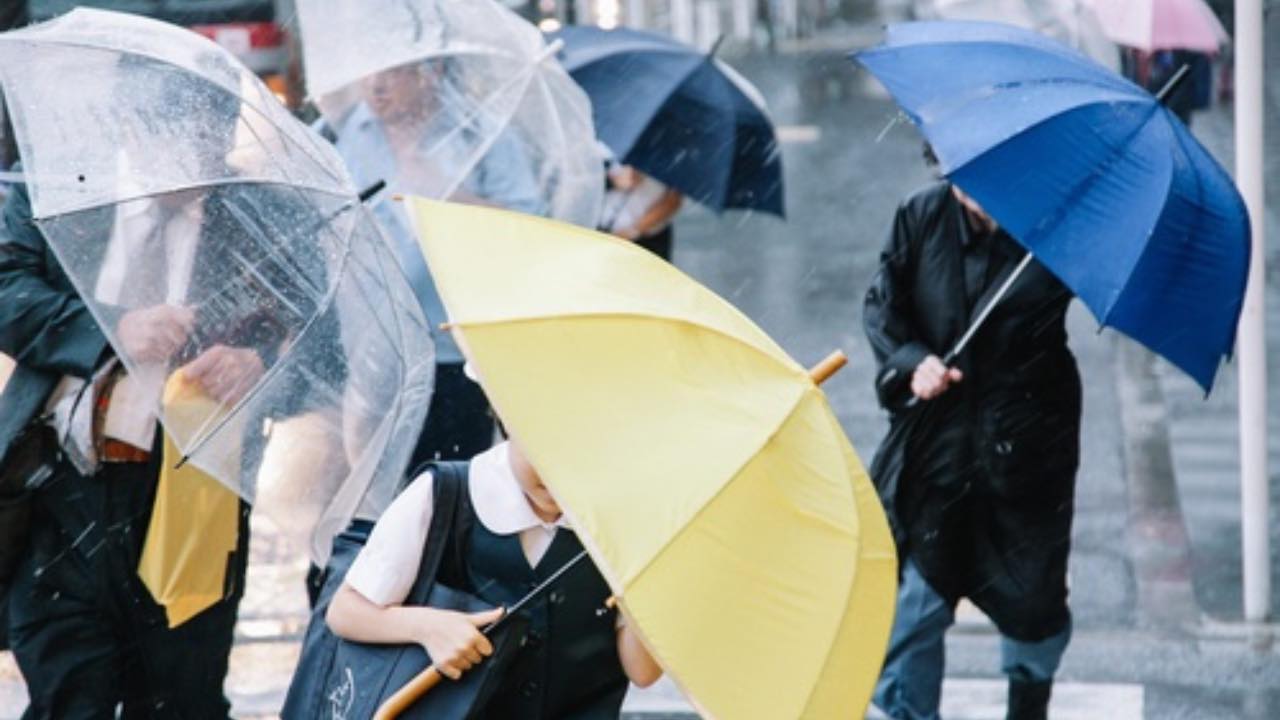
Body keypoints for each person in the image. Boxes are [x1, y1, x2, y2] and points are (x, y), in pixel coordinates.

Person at [0, 54, 318, 717]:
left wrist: (259, 365)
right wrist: (112, 328)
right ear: (131, 129)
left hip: (194, 494)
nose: (195, 163)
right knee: (68, 692)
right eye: (176, 142)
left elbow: (323, 339)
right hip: (60, 487)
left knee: (183, 697)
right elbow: (7, 289)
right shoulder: (62, 193)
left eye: (210, 140)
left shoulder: (261, 217)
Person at [863, 155, 1081, 720]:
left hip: (1025, 448)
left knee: (1033, 602)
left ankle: (1028, 702)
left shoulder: (1051, 227)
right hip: (940, 447)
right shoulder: (920, 214)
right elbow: (883, 305)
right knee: (915, 604)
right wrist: (914, 363)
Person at [324, 435, 663, 716]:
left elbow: (643, 671)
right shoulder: (446, 494)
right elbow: (346, 611)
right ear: (509, 421)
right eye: (542, 447)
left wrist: (648, 576)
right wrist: (427, 627)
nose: (555, 473)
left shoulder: (619, 526)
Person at [599, 163, 683, 262]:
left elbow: (672, 202)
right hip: (601, 223)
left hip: (644, 237)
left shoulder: (674, 160)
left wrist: (633, 231)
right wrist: (612, 180)